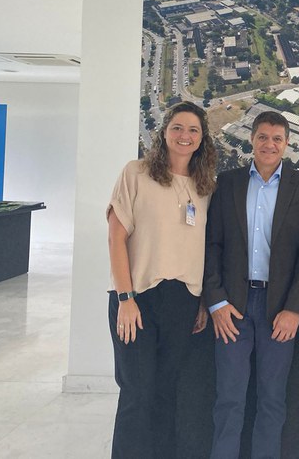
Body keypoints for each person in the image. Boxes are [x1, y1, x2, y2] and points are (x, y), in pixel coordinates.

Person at [203, 110, 299, 459]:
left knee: (272, 400)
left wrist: (295, 309)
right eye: (263, 137)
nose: (269, 144)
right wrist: (216, 303)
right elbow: (212, 245)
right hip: (233, 309)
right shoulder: (228, 183)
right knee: (229, 398)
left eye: (277, 139)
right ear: (251, 140)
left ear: (286, 144)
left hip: (279, 310)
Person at [106, 101, 217, 458]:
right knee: (137, 392)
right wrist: (125, 299)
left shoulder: (205, 187)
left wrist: (201, 302)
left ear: (202, 139)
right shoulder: (136, 173)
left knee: (167, 392)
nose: (185, 136)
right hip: (137, 298)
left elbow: (203, 248)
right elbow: (115, 236)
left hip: (182, 300)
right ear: (165, 131)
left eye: (193, 130)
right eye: (178, 128)